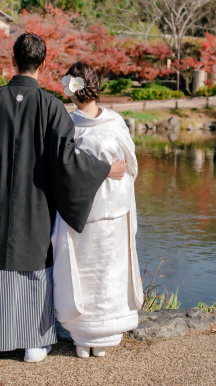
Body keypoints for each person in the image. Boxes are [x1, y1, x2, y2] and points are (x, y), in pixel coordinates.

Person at [0, 33, 127, 365]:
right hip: (37, 203)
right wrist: (104, 169)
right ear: (43, 64)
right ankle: (34, 344)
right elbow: (68, 162)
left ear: (13, 60)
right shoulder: (51, 107)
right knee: (36, 267)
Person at [52, 61, 143, 358]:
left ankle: (85, 337)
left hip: (81, 210)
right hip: (112, 209)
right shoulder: (115, 122)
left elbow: (61, 171)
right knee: (106, 272)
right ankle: (100, 339)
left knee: (85, 272)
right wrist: (109, 171)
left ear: (73, 91)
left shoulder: (67, 123)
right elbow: (130, 166)